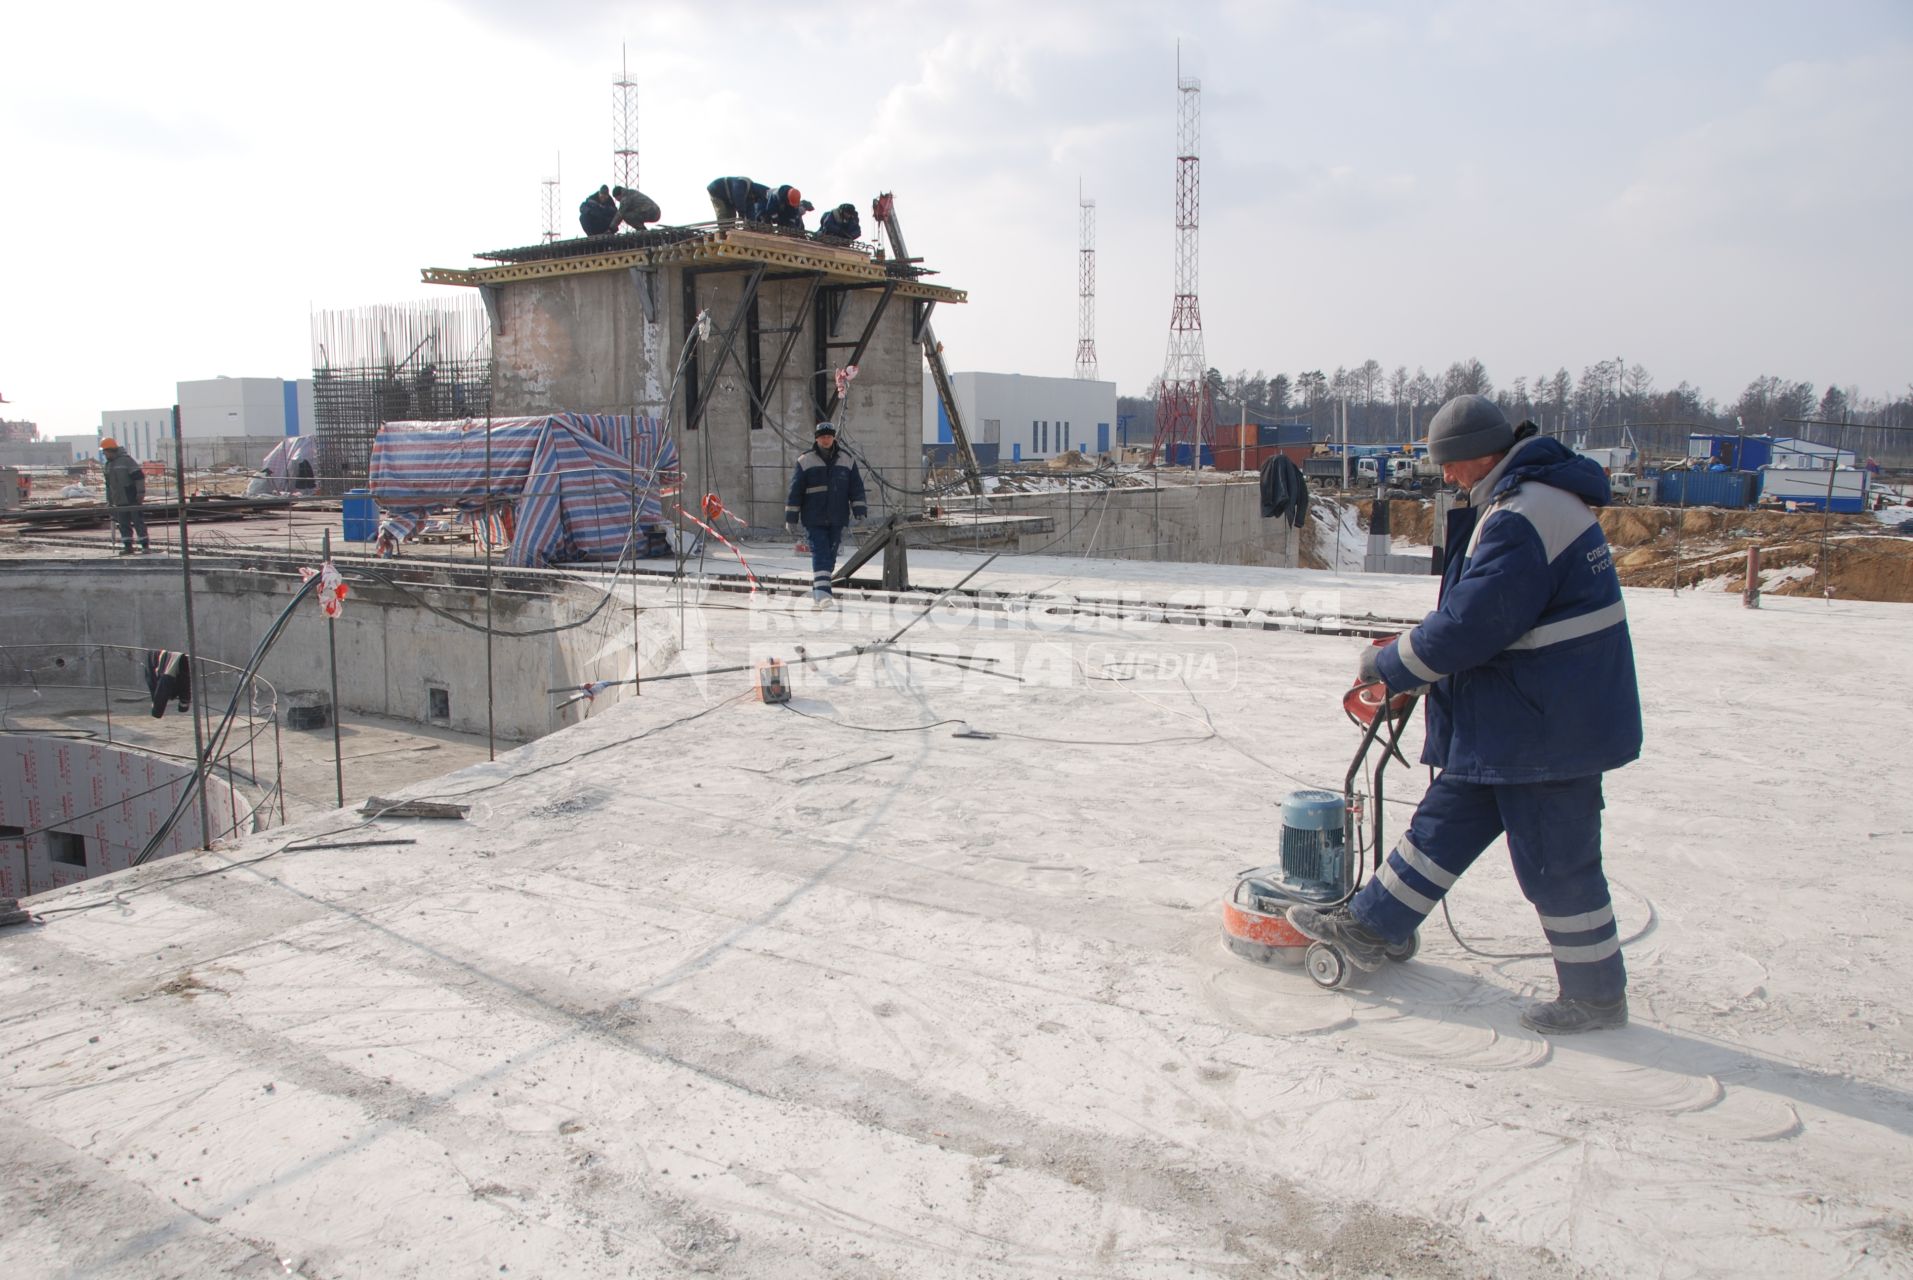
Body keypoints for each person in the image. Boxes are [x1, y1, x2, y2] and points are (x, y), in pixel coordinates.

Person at [1287, 395, 1642, 1035]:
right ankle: (1373, 928)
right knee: (1442, 828)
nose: (1446, 476)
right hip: (1516, 715)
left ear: (1481, 453)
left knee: (1557, 866)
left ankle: (1594, 996)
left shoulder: (1523, 514)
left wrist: (1391, 665)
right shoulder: (1529, 500)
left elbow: (1475, 624)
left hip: (1545, 730)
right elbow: (1485, 620)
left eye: (1450, 464)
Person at [784, 422, 867, 607]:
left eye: (829, 436)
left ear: (833, 438)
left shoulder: (847, 459)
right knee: (820, 552)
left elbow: (856, 487)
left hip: (838, 516)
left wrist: (860, 510)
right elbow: (795, 491)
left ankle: (819, 592)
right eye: (822, 437)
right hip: (814, 517)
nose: (826, 439)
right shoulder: (805, 460)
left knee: (830, 555)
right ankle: (823, 595)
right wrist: (791, 518)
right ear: (816, 438)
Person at [100, 437, 150, 555]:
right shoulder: (108, 465)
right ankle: (128, 547)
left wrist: (140, 493)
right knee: (123, 524)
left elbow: (139, 477)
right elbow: (108, 485)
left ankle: (145, 546)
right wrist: (110, 501)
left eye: (105, 452)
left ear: (110, 450)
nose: (104, 454)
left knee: (138, 522)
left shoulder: (127, 461)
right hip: (119, 500)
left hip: (132, 498)